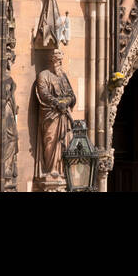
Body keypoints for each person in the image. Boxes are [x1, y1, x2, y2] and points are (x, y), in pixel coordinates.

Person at [35, 48, 77, 180]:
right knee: (50, 140)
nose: (58, 62)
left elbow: (72, 95)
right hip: (51, 115)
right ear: (51, 59)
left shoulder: (63, 76)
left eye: (60, 59)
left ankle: (61, 170)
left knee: (64, 141)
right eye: (56, 58)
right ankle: (50, 169)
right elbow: (43, 93)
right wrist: (57, 103)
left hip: (64, 115)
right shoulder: (44, 75)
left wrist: (66, 102)